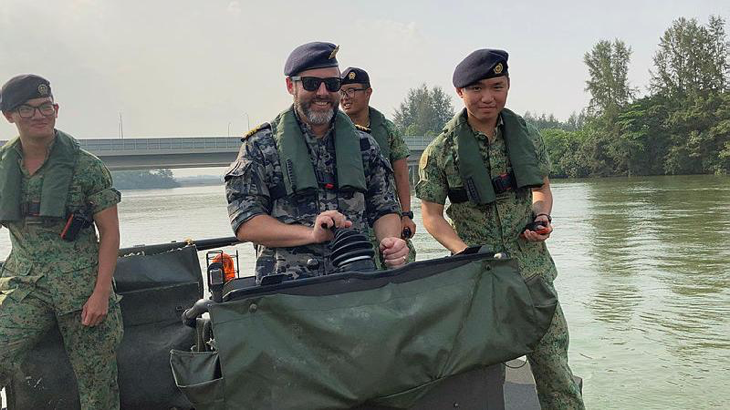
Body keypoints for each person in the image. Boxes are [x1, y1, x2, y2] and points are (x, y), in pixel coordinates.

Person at [416, 50, 585, 409]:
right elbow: (431, 215)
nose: (488, 97)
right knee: (483, 381)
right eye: (476, 88)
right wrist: (464, 252)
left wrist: (541, 218)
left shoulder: (526, 136)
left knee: (556, 373)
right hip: (480, 278)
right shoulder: (441, 151)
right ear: (459, 91)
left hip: (533, 275)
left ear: (508, 86)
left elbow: (541, 189)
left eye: (497, 86)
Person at [225, 42, 408, 283]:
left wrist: (391, 241)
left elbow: (384, 208)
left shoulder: (365, 145)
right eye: (312, 83)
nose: (323, 92)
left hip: (357, 283)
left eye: (332, 85)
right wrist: (311, 234)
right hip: (287, 292)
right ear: (291, 85)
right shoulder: (259, 147)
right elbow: (246, 222)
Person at [0, 74, 124, 409]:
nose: (39, 115)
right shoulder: (2, 167)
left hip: (82, 289)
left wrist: (100, 295)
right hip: (24, 286)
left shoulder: (87, 168)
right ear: (9, 115)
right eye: (27, 109)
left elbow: (110, 234)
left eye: (46, 107)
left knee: (98, 388)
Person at [339, 67, 417, 266]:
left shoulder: (387, 129)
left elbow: (401, 176)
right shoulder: (332, 130)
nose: (345, 97)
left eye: (351, 90)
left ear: (368, 92)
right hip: (350, 218)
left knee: (398, 263)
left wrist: (406, 215)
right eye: (341, 91)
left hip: (386, 213)